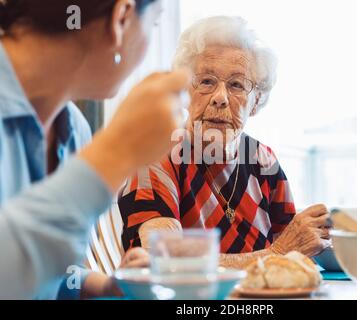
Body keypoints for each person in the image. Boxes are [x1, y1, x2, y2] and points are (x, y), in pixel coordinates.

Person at [0, 0, 188, 299]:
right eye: (153, 24)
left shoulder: (73, 127)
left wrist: (104, 286)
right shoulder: (101, 151)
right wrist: (116, 151)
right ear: (121, 18)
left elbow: (42, 269)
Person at [119, 16, 330, 269]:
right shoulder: (156, 157)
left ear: (255, 101)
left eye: (236, 85)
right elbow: (164, 263)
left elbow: (294, 257)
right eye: (206, 81)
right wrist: (277, 253)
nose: (220, 97)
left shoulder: (264, 160)